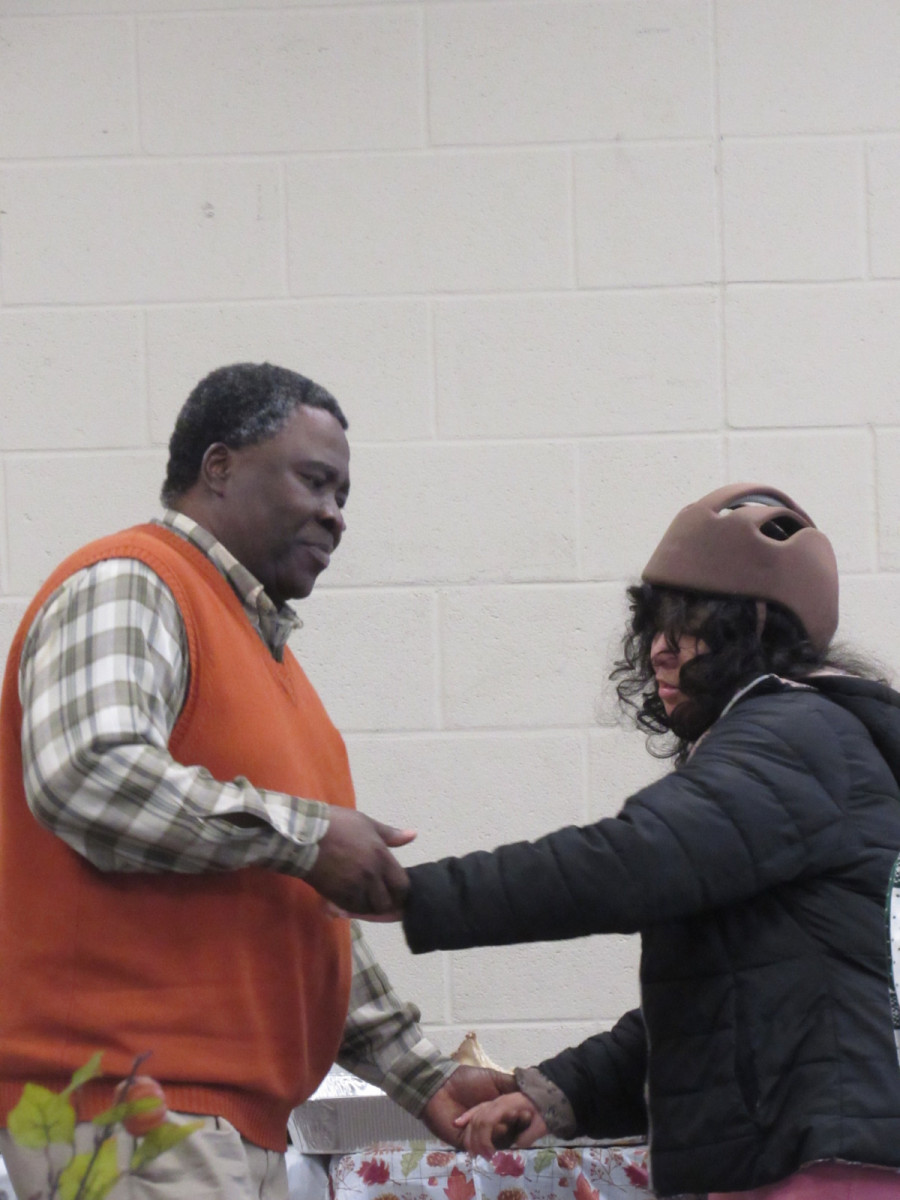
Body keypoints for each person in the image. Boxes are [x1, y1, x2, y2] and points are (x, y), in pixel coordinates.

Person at [0, 363, 511, 1200]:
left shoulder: (272, 667)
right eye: (315, 480)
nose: (335, 513)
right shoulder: (133, 580)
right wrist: (309, 836)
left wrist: (421, 1074)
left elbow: (294, 913)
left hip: (220, 1119)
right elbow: (88, 772)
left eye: (344, 494)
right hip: (132, 1106)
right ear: (220, 466)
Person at [390, 484, 900, 1199]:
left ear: (756, 631)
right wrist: (552, 1092)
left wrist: (410, 892)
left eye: (689, 625)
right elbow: (713, 1011)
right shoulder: (807, 743)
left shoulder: (795, 734)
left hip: (821, 1167)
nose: (660, 650)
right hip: (808, 1158)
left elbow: (628, 861)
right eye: (654, 627)